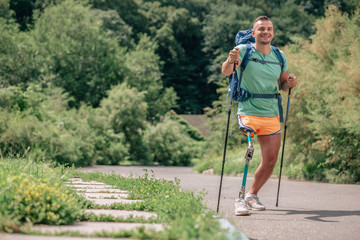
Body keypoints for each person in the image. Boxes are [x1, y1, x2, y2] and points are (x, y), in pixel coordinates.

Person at [221, 16, 298, 216]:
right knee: (250, 150)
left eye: (269, 29)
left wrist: (289, 83)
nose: (266, 32)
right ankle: (239, 200)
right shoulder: (243, 50)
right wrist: (230, 60)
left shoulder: (279, 56)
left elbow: (282, 85)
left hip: (271, 113)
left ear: (273, 32)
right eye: (261, 29)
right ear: (253, 33)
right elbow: (226, 71)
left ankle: (251, 195)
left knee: (271, 159)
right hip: (248, 110)